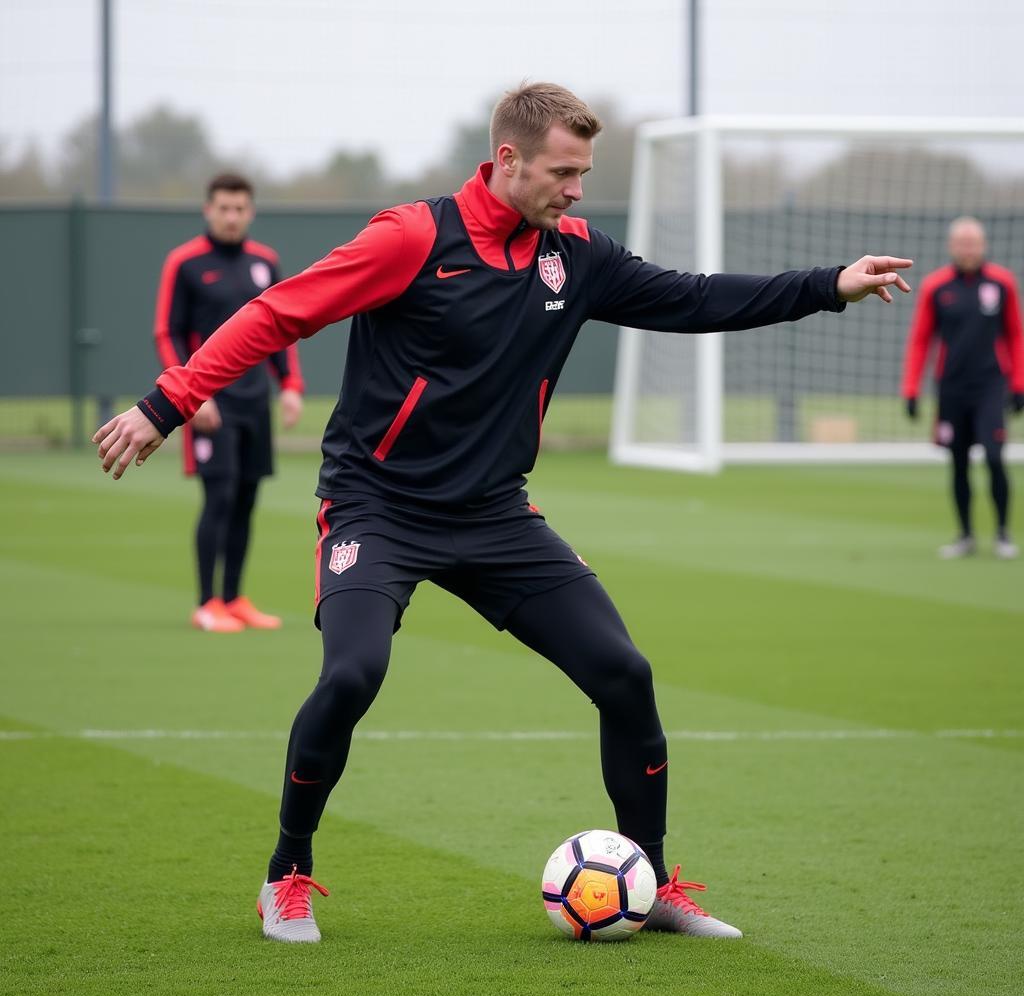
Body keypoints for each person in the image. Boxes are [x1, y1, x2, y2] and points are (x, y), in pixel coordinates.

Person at [95, 83, 911, 944]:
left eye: (585, 174)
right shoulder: (411, 237)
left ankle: (653, 877)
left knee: (623, 674)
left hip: (494, 517)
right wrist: (165, 404)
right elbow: (276, 313)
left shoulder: (577, 254)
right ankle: (287, 873)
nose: (577, 190)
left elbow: (693, 297)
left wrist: (830, 284)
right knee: (351, 675)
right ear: (508, 159)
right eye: (564, 172)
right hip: (378, 507)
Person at [154, 172, 305, 631]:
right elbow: (168, 332)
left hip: (254, 401)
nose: (232, 216)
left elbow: (281, 327)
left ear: (250, 211)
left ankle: (235, 598)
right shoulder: (185, 263)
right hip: (208, 405)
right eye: (223, 207)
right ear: (208, 209)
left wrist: (290, 385)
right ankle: (207, 603)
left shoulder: (265, 262)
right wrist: (188, 397)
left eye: (240, 208)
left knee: (246, 498)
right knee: (218, 497)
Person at [902, 216, 1024, 560]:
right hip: (951, 387)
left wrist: (1019, 383)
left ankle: (1002, 533)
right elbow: (921, 340)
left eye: (973, 243)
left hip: (990, 385)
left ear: (983, 246)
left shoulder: (1002, 283)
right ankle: (966, 534)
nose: (968, 249)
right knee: (957, 461)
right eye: (962, 243)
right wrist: (911, 388)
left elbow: (1015, 334)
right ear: (952, 247)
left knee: (994, 455)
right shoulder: (936, 286)